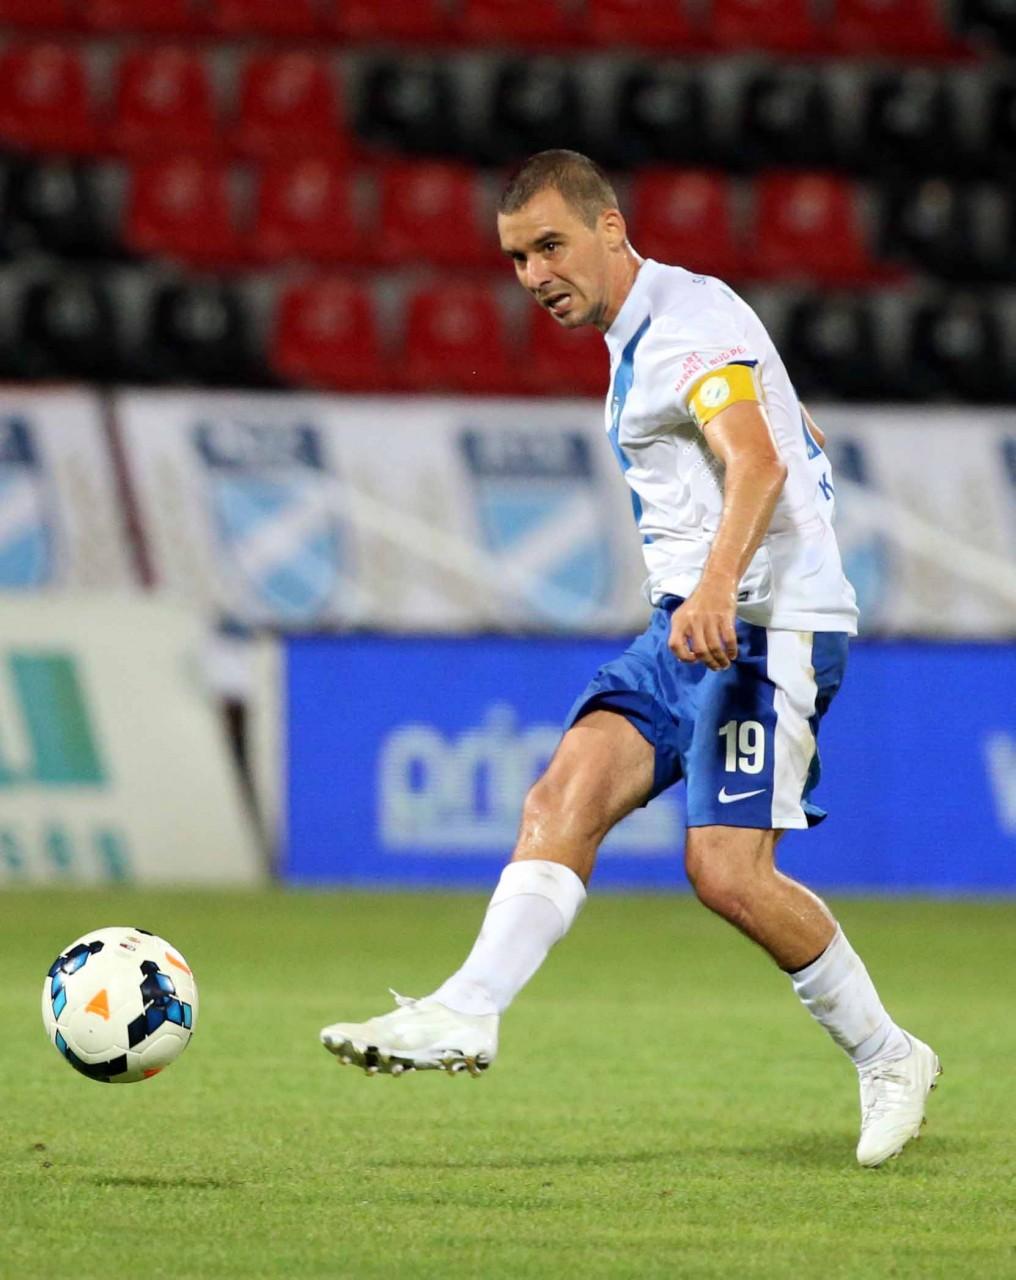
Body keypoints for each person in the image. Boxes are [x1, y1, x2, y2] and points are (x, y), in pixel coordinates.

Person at [320, 149, 939, 1168]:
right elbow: (782, 430)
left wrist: (717, 583)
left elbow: (755, 460)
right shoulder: (653, 327)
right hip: (688, 625)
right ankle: (468, 1006)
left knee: (726, 872)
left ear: (610, 229)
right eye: (516, 258)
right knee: (559, 794)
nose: (534, 275)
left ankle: (889, 1054)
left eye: (549, 245)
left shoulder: (681, 327)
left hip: (766, 625)